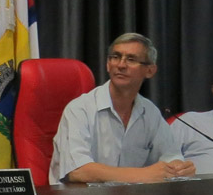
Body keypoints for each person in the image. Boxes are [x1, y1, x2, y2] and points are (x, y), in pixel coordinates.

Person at [48, 33, 197, 184]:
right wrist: (142, 175)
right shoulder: (80, 109)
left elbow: (170, 156)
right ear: (108, 64)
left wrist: (179, 168)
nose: (121, 65)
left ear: (150, 71)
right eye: (115, 57)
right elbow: (77, 171)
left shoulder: (150, 111)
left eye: (131, 59)